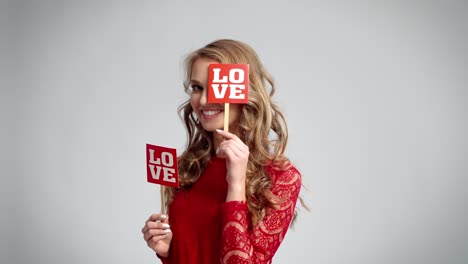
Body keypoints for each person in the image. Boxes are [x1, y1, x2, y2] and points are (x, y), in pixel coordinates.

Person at [141, 39, 303, 263]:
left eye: (216, 86)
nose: (205, 100)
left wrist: (236, 183)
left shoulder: (282, 178)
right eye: (198, 87)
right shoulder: (188, 168)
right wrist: (168, 251)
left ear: (245, 92)